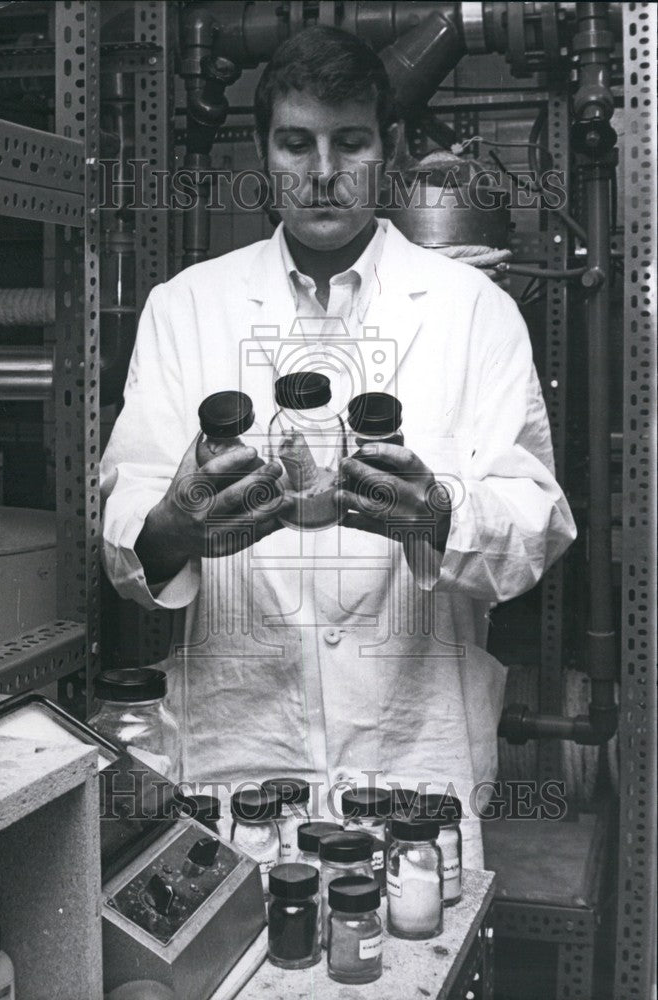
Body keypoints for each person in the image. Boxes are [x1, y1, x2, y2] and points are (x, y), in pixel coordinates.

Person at [100, 26, 576, 868]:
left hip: (413, 756)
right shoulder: (187, 308)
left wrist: (438, 514)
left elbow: (538, 524)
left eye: (349, 142)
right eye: (296, 143)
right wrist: (176, 523)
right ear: (263, 150)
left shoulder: (472, 311)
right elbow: (128, 526)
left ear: (387, 148)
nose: (322, 172)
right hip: (237, 760)